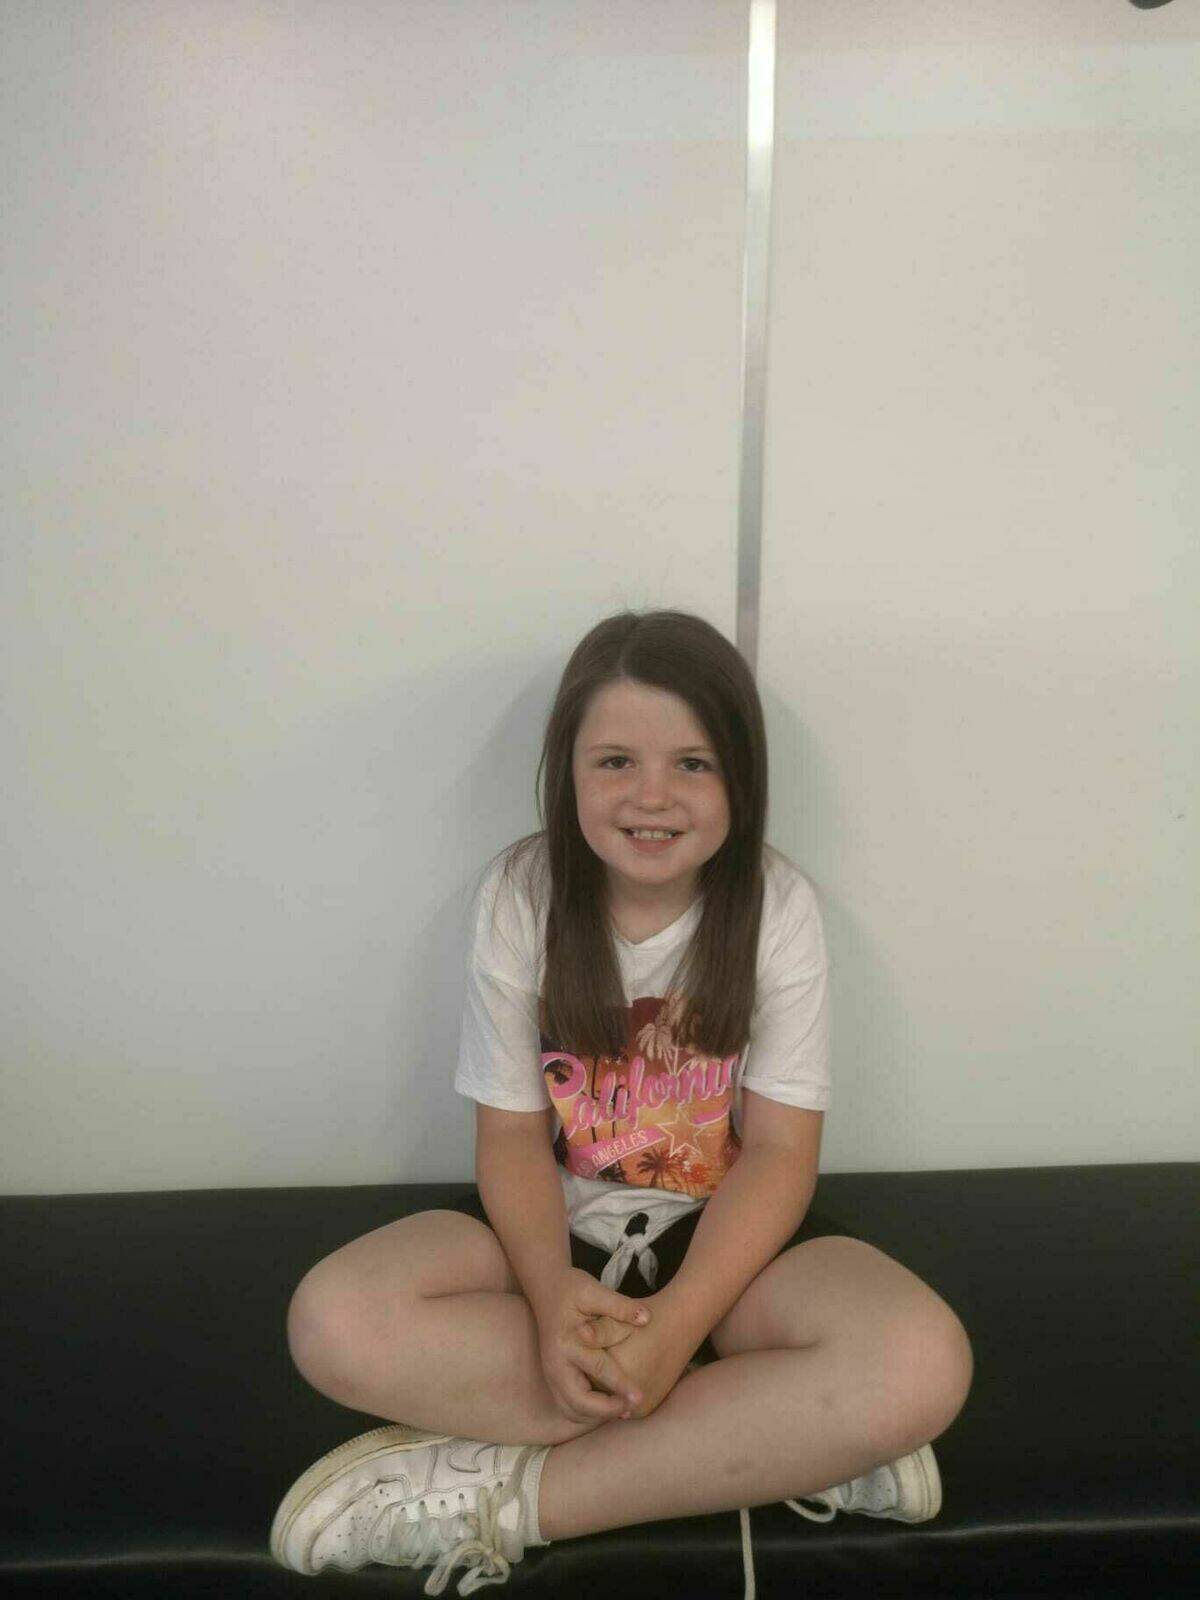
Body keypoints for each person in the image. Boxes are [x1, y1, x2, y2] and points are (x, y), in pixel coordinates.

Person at [269, 609, 974, 1598]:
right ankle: (777, 1440)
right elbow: (511, 1137)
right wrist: (551, 1295)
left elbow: (779, 1154)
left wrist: (680, 1320)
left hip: (722, 1247)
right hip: (552, 1234)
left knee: (922, 1360)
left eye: (693, 763)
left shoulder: (777, 908)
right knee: (332, 1319)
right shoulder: (521, 894)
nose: (652, 795)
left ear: (741, 779)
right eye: (615, 762)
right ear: (568, 773)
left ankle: (509, 1501)